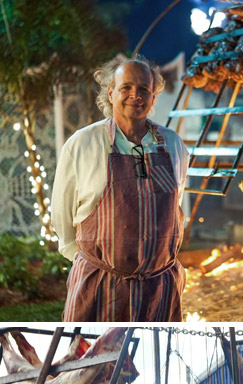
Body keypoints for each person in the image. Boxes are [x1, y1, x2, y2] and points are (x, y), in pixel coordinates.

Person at [51, 53, 189, 321]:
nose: (135, 94)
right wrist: (92, 267)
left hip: (159, 290)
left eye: (144, 89)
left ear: (153, 97)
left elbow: (175, 207)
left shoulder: (174, 145)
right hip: (99, 286)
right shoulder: (83, 144)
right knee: (90, 358)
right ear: (111, 93)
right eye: (126, 87)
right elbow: (62, 216)